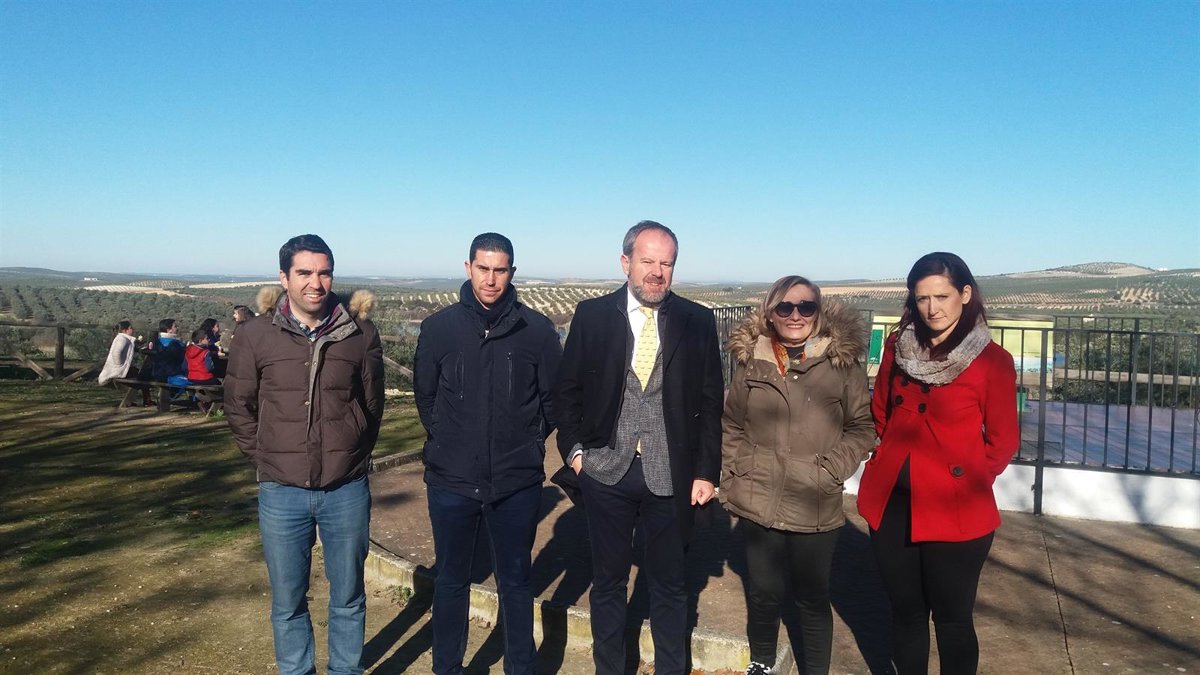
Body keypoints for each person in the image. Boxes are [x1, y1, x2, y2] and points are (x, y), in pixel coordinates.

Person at [554, 220, 724, 675]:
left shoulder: (697, 320)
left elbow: (711, 402)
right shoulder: (592, 315)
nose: (657, 272)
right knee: (608, 582)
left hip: (673, 475)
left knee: (670, 586)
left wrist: (706, 472)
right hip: (605, 470)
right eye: (647, 261)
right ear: (625, 262)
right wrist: (575, 454)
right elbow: (566, 392)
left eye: (666, 263)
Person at [224, 234, 385, 675]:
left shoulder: (360, 334)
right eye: (305, 273)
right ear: (284, 277)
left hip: (346, 488)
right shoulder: (255, 335)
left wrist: (351, 453)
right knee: (288, 600)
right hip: (281, 490)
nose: (316, 282)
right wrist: (267, 458)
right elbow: (238, 405)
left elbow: (372, 406)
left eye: (324, 272)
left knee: (348, 596)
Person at [856, 252, 1019, 675]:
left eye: (942, 296)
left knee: (953, 619)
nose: (932, 308)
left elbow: (1002, 442)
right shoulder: (898, 346)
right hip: (892, 504)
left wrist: (962, 479)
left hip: (955, 510)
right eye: (923, 298)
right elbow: (881, 410)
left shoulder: (992, 361)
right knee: (906, 614)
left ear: (965, 294)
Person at [414, 232, 562, 675]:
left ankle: (521, 667)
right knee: (451, 581)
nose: (491, 279)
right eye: (483, 268)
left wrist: (529, 441)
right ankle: (447, 668)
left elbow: (552, 403)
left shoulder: (537, 331)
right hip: (451, 480)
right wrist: (449, 440)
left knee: (515, 583)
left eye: (500, 270)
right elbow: (426, 398)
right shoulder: (439, 329)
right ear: (468, 268)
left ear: (512, 272)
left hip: (516, 482)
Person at [720, 276, 874, 675]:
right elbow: (732, 423)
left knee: (812, 597)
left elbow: (862, 427)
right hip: (758, 494)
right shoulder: (752, 360)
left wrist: (831, 469)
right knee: (764, 593)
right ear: (770, 313)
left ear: (818, 312)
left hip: (814, 499)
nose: (795, 315)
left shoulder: (841, 365)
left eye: (806, 307)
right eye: (785, 307)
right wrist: (734, 474)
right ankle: (762, 662)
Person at [148, 318, 188, 389]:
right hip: (171, 374)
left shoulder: (157, 342)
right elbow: (182, 358)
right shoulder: (174, 344)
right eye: (175, 326)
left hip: (157, 373)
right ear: (169, 330)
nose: (177, 328)